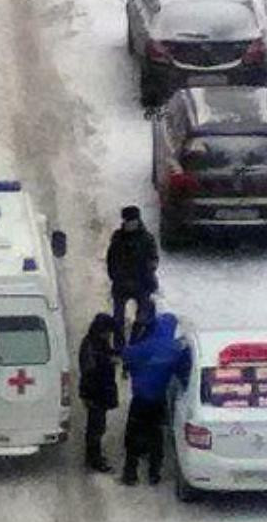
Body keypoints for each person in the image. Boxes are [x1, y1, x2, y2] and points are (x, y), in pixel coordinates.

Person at [119, 313, 190, 486]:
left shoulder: (143, 347)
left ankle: (130, 474)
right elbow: (183, 368)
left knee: (133, 435)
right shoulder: (174, 349)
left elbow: (125, 354)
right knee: (156, 436)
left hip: (140, 399)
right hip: (159, 400)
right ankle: (154, 474)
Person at [106, 205, 159, 353]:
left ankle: (136, 343)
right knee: (118, 318)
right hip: (121, 283)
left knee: (142, 317)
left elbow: (154, 258)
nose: (130, 224)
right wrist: (114, 274)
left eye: (133, 221)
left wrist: (148, 271)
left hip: (142, 283)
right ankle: (119, 345)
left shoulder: (146, 238)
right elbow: (110, 258)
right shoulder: (117, 238)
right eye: (128, 221)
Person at [77, 313, 118, 473]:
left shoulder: (96, 342)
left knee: (97, 426)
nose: (109, 335)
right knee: (96, 427)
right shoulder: (92, 346)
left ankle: (93, 456)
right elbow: (90, 370)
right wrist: (108, 361)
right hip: (94, 393)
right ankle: (94, 458)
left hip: (97, 392)